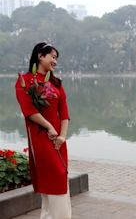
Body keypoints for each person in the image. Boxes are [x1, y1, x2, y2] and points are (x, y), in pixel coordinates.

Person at [15, 42, 71, 219]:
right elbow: (29, 111)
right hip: (40, 138)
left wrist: (62, 136)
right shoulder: (25, 81)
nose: (55, 61)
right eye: (52, 57)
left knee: (57, 180)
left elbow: (64, 113)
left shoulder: (56, 83)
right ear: (40, 56)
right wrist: (49, 126)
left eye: (56, 58)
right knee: (56, 176)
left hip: (58, 140)